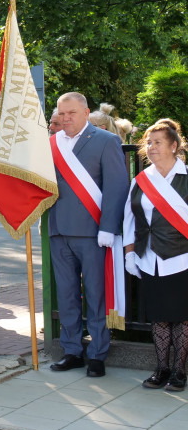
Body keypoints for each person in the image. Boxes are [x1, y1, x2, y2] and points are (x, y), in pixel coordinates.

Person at [49, 91, 130, 377]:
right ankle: (72, 350)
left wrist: (108, 227)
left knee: (96, 295)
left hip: (93, 232)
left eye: (71, 113)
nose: (65, 118)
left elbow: (117, 187)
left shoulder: (106, 140)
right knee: (67, 295)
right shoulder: (51, 144)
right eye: (61, 113)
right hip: (58, 230)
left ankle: (97, 354)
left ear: (85, 113)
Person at [124, 118, 188, 391]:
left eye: (157, 142)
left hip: (181, 259)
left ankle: (180, 372)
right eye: (148, 142)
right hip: (149, 260)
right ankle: (161, 368)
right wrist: (129, 254)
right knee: (159, 318)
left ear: (174, 146)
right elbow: (129, 220)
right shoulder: (140, 180)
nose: (150, 147)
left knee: (183, 318)